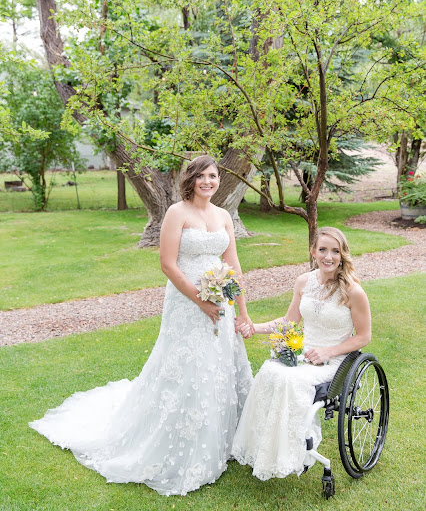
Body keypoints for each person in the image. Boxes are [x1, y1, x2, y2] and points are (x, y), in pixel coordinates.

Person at [29, 155, 253, 496]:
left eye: (213, 176)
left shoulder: (223, 216)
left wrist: (243, 312)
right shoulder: (176, 213)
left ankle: (225, 433)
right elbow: (167, 264)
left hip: (220, 300)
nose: (209, 182)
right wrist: (199, 299)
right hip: (185, 300)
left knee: (218, 363)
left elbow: (233, 264)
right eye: (202, 176)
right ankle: (180, 436)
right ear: (190, 179)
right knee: (187, 364)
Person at [232, 226, 371, 481]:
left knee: (289, 379)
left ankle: (293, 450)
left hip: (334, 359)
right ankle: (267, 448)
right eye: (322, 250)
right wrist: (253, 327)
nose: (328, 257)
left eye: (335, 251)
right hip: (303, 352)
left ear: (342, 254)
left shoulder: (353, 291)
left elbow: (364, 337)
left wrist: (328, 351)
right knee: (269, 370)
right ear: (313, 251)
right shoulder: (303, 282)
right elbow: (289, 322)